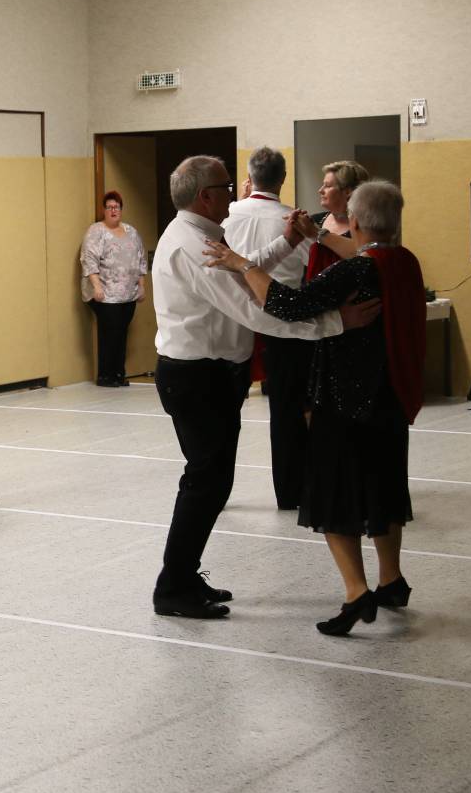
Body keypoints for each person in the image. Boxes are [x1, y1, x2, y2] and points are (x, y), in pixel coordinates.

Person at [149, 155, 377, 619]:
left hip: (210, 375)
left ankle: (183, 575)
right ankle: (172, 587)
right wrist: (334, 322)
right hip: (197, 377)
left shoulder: (203, 234)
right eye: (225, 187)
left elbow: (246, 272)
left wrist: (286, 242)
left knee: (212, 481)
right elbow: (254, 310)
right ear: (205, 196)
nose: (233, 192)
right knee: (205, 483)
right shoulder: (192, 245)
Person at [207, 181, 425, 636]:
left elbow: (287, 304)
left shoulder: (357, 270)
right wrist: (316, 236)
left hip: (345, 399)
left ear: (356, 221)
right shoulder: (404, 261)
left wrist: (241, 263)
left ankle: (356, 593)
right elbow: (361, 262)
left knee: (334, 495)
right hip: (388, 397)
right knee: (383, 488)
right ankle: (391, 580)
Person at [223, 147, 310, 509]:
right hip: (281, 325)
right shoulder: (292, 221)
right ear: (283, 178)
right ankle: (290, 493)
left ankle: (215, 489)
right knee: (286, 411)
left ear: (250, 176)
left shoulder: (227, 217)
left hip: (233, 321)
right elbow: (310, 268)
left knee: (225, 412)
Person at [81, 191, 148, 387]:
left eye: (116, 207)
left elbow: (140, 260)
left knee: (121, 333)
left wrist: (142, 286)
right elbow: (89, 260)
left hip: (128, 294)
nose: (113, 210)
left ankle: (119, 373)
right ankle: (105, 376)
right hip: (105, 294)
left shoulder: (131, 231)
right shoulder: (96, 231)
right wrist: (96, 287)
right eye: (109, 207)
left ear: (121, 209)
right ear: (104, 210)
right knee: (109, 334)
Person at [307, 160, 369, 283]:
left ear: (347, 192)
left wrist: (318, 234)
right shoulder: (314, 220)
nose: (320, 190)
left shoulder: (365, 227)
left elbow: (366, 258)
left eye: (328, 186)